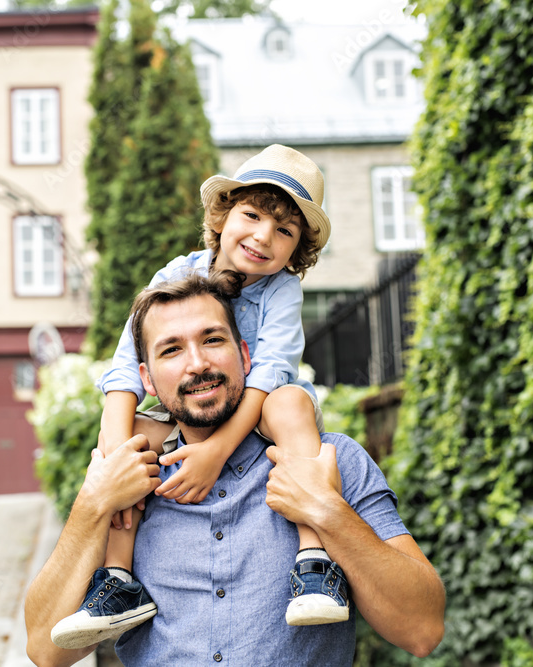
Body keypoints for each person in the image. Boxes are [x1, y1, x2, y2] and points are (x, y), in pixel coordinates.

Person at [24, 273, 446, 666]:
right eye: (171, 349)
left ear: (245, 355)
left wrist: (326, 510)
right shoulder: (127, 480)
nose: (197, 363)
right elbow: (45, 650)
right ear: (146, 380)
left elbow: (422, 630)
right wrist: (93, 503)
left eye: (212, 340)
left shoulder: (328, 460)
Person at [52, 144, 347, 650]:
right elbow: (126, 367)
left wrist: (215, 453)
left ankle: (314, 560)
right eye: (251, 215)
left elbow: (268, 375)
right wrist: (114, 468)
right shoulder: (175, 275)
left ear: (297, 249)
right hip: (188, 409)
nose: (262, 236)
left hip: (258, 408)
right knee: (130, 443)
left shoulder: (281, 290)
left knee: (290, 402)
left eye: (284, 231)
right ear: (223, 215)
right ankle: (119, 578)